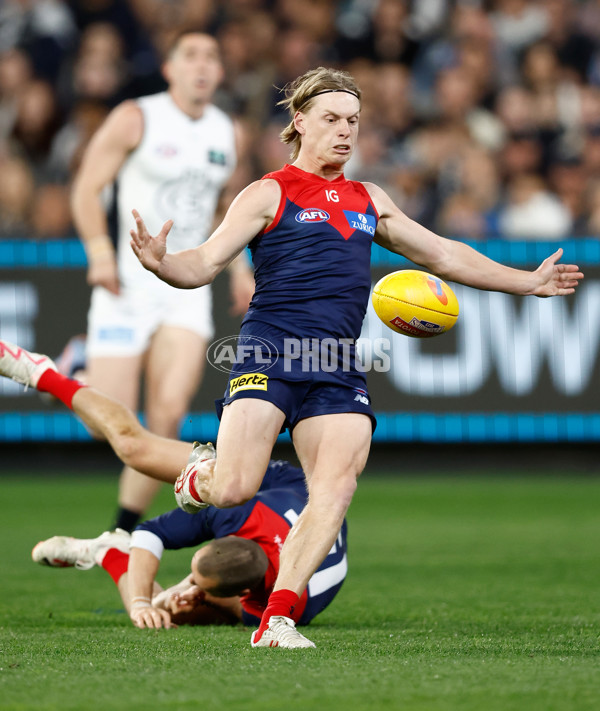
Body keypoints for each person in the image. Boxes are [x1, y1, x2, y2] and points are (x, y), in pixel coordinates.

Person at [125, 66, 584, 649]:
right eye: (331, 120)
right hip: (271, 353)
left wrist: (528, 283)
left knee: (335, 489)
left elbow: (443, 254)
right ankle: (203, 474)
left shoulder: (369, 199)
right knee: (236, 488)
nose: (345, 132)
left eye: (353, 122)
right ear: (299, 122)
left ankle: (278, 620)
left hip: (336, 364)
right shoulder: (269, 192)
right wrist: (163, 263)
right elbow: (204, 263)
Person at [70, 29, 254, 534]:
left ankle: (122, 531)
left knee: (168, 413)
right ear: (170, 69)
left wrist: (238, 268)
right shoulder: (137, 117)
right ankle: (75, 363)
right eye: (190, 56)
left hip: (184, 286)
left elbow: (227, 208)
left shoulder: (227, 132)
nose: (202, 65)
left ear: (219, 73)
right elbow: (88, 186)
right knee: (101, 421)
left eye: (211, 57)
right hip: (127, 284)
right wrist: (101, 254)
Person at [31, 460, 347, 634]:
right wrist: (140, 601)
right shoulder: (233, 513)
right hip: (289, 482)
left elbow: (204, 602)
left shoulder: (274, 609)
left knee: (166, 612)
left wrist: (167, 601)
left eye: (198, 582)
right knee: (137, 448)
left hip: (288, 538)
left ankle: (109, 552)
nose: (189, 580)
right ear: (228, 536)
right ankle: (44, 375)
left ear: (240, 596)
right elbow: (149, 532)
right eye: (193, 573)